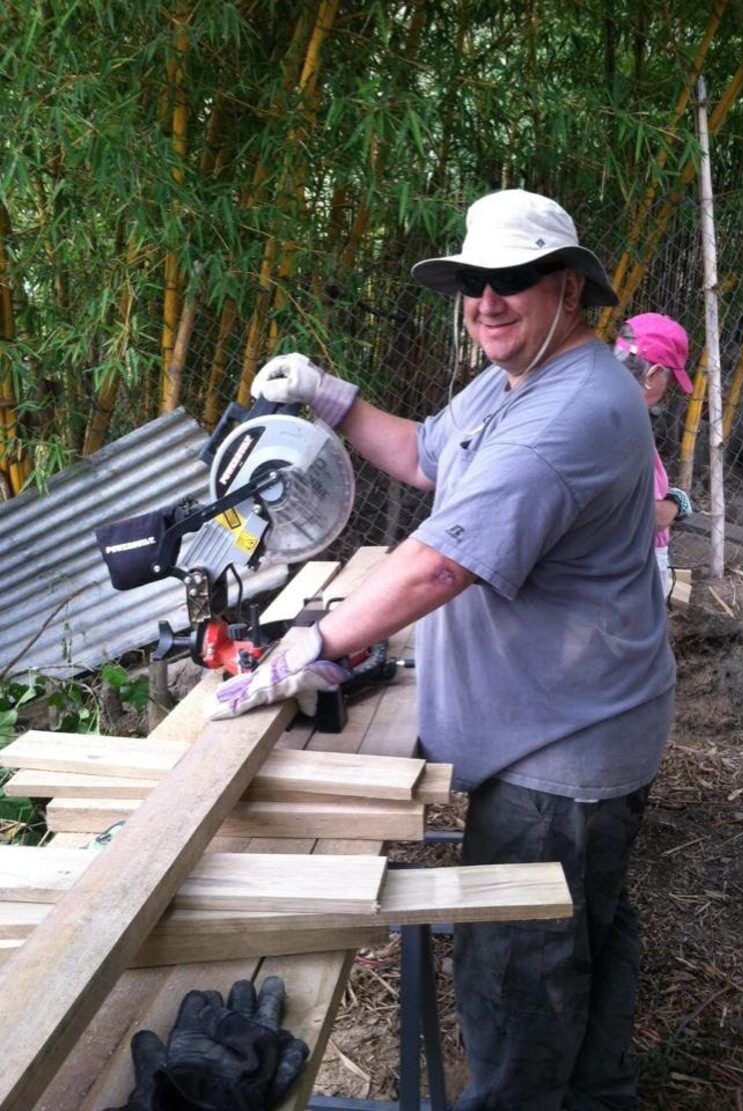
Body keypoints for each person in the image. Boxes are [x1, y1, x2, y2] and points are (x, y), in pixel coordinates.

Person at [210, 188, 677, 1110]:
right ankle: (599, 1093)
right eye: (473, 283)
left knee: (519, 966)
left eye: (511, 281)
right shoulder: (517, 380)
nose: (487, 301)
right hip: (572, 717)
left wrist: (307, 644)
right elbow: (427, 454)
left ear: (569, 290)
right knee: (587, 924)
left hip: (562, 752)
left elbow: (434, 570)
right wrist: (326, 396)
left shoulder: (573, 409)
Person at [613, 314, 693, 597]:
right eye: (668, 381)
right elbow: (644, 515)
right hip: (633, 563)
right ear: (652, 375)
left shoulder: (603, 403)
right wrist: (675, 503)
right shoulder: (626, 426)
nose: (667, 391)